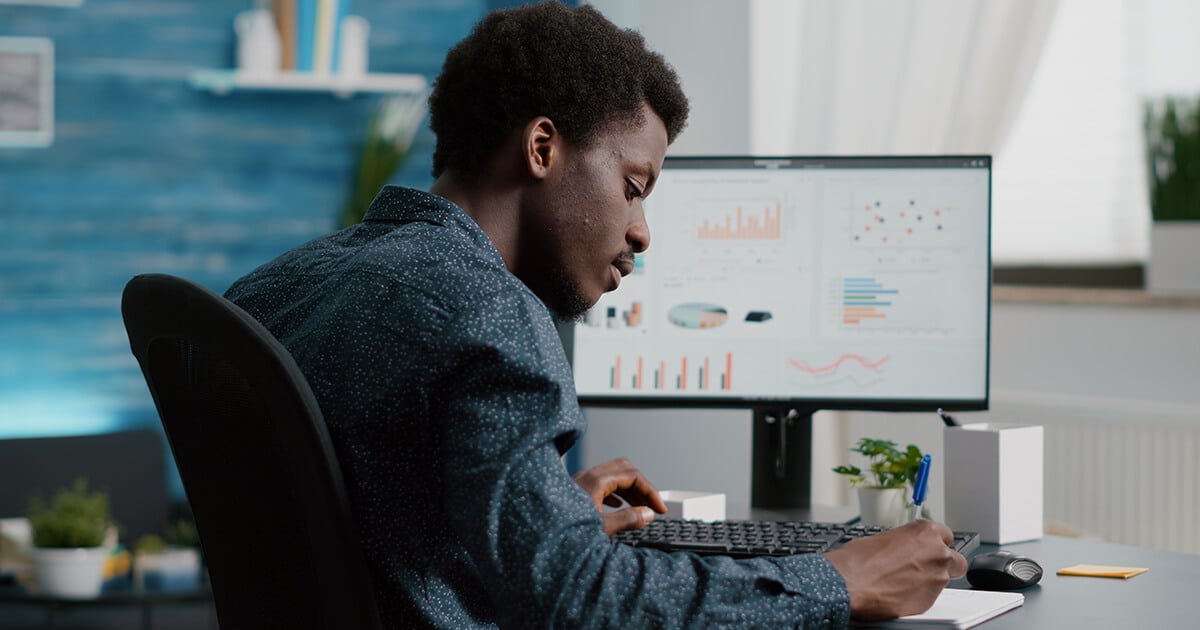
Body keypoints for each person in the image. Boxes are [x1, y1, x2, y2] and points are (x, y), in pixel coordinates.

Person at [225, 2, 966, 627]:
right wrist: (840, 580)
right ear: (543, 147)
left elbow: (370, 528)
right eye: (634, 186)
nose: (642, 232)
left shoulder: (278, 287)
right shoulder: (488, 307)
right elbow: (582, 601)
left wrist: (541, 517)